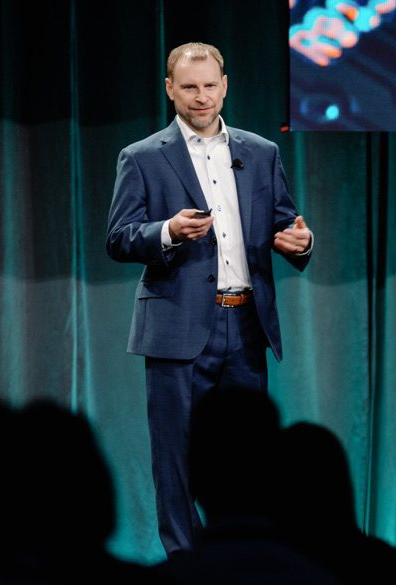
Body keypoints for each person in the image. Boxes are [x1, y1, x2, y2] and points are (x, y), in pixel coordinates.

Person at [106, 41, 313, 555]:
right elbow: (119, 237)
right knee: (176, 454)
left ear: (225, 86)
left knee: (247, 455)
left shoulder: (261, 151)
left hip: (245, 326)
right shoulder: (142, 157)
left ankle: (244, 556)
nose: (202, 98)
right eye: (190, 87)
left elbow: (288, 224)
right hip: (178, 326)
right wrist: (169, 232)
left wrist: (301, 242)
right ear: (171, 89)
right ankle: (184, 562)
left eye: (210, 86)